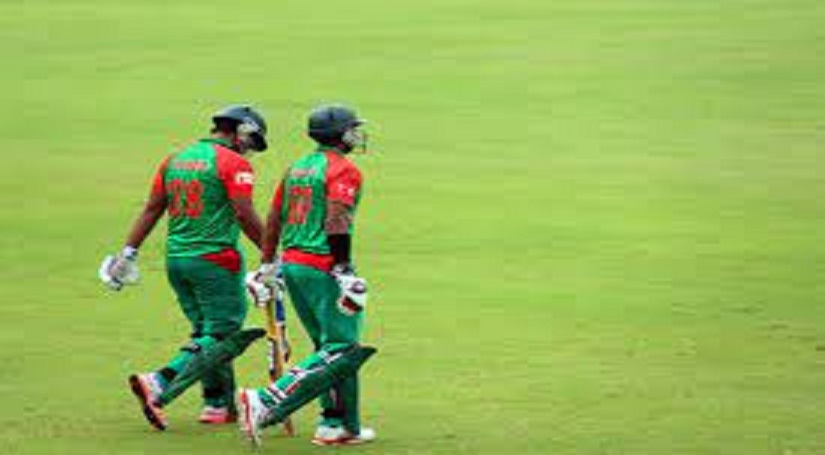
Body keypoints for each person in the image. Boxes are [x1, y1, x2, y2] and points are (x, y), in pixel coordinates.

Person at [98, 105, 270, 430]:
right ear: (241, 131)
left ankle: (217, 404)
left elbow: (152, 208)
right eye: (251, 141)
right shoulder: (233, 163)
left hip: (177, 260)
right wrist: (271, 254)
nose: (250, 149)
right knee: (223, 333)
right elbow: (244, 213)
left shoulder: (175, 159)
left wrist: (128, 253)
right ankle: (160, 380)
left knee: (206, 333)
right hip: (216, 261)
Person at [238, 104, 377, 447]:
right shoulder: (343, 169)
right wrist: (343, 268)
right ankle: (265, 400)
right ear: (340, 134)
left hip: (294, 265)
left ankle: (338, 425)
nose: (356, 134)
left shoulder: (298, 167)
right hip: (322, 266)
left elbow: (274, 217)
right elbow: (337, 218)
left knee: (329, 349)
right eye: (352, 129)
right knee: (342, 348)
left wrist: (267, 264)